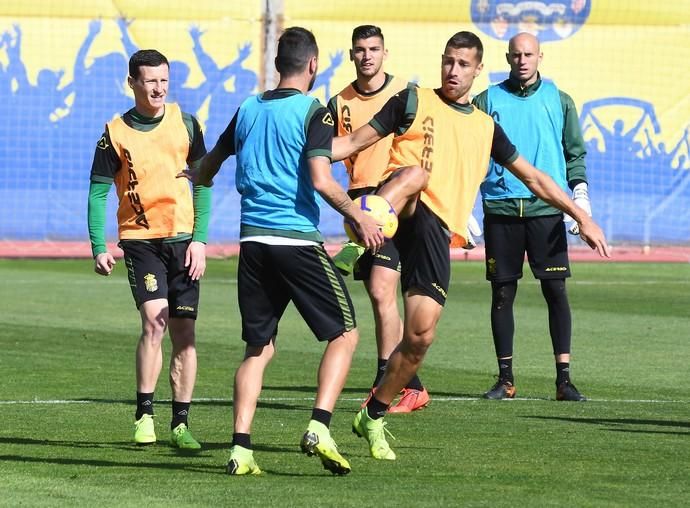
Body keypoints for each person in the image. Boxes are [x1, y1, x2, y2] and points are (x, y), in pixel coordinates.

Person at [332, 31, 610, 460]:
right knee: (414, 176)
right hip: (396, 211)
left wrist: (582, 215)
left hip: (437, 232)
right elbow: (349, 144)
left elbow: (534, 178)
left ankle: (373, 413)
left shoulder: (485, 127)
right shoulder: (411, 100)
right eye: (448, 61)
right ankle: (357, 243)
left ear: (478, 69)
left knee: (420, 338)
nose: (453, 71)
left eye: (463, 64)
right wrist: (307, 150)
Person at [191, 27, 383, 475]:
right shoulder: (314, 111)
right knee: (346, 334)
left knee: (258, 348)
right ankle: (319, 425)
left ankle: (240, 450)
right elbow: (320, 177)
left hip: (252, 243)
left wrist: (191, 175)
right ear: (313, 65)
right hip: (295, 239)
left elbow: (210, 164)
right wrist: (357, 214)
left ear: (279, 65)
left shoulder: (248, 108)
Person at [87, 49, 211, 450]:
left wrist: (201, 240)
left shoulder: (187, 124)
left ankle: (180, 423)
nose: (158, 88)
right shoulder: (115, 132)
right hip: (140, 242)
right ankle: (144, 414)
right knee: (155, 320)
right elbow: (99, 192)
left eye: (163, 80)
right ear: (132, 83)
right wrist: (98, 245)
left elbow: (204, 182)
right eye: (150, 81)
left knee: (185, 333)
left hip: (183, 241)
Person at [472, 32, 594, 401]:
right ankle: (505, 379)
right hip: (501, 209)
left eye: (529, 54)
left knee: (555, 291)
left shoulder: (560, 100)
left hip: (546, 211)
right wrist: (463, 204)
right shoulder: (486, 100)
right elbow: (470, 153)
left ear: (540, 56)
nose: (522, 60)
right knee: (501, 294)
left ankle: (564, 380)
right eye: (516, 55)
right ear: (507, 58)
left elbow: (575, 153)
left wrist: (580, 196)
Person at [327, 25, 429, 413]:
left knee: (384, 288)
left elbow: (427, 145)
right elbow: (333, 150)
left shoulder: (408, 94)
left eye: (373, 49)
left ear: (385, 53)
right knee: (380, 291)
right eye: (359, 50)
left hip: (400, 198)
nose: (366, 55)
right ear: (351, 55)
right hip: (361, 201)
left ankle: (391, 380)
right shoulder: (339, 102)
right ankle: (404, 382)